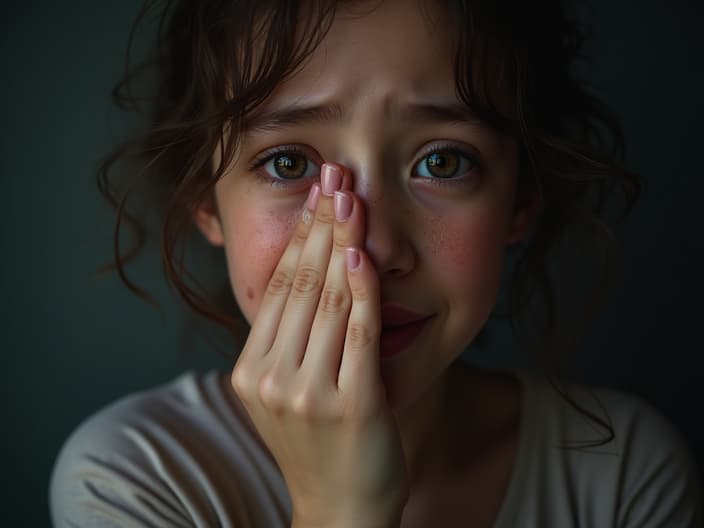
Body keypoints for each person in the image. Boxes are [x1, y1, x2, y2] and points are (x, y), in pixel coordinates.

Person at [50, 0, 702, 526]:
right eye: (289, 164)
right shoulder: (135, 479)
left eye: (442, 162)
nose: (374, 247)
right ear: (206, 204)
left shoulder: (622, 473)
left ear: (519, 199)